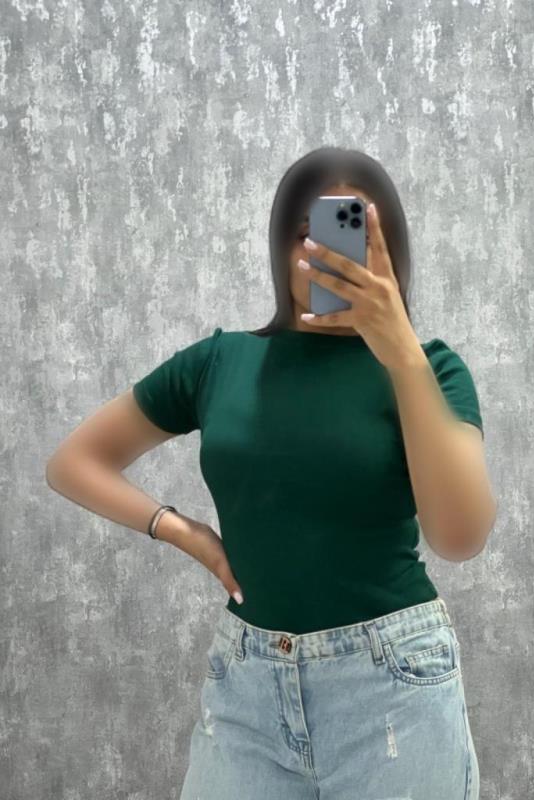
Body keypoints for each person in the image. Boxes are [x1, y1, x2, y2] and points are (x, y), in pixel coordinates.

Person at [46, 147, 496, 799]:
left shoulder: (431, 370)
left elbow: (460, 536)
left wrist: (399, 347)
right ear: (280, 246)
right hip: (248, 688)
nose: (328, 256)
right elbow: (73, 463)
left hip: (394, 689)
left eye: (352, 234)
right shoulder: (219, 363)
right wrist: (183, 531)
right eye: (308, 234)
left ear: (389, 253)